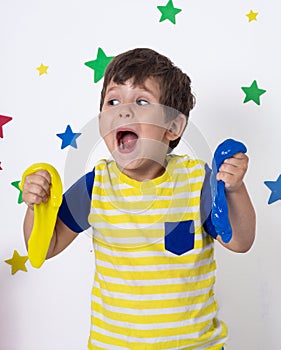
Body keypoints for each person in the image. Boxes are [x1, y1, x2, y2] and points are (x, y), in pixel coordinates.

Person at [22, 48, 256, 350]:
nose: (123, 110)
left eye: (142, 101)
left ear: (173, 127)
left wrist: (234, 190)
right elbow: (45, 246)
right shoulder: (96, 186)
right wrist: (36, 207)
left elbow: (240, 241)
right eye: (113, 101)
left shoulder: (196, 180)